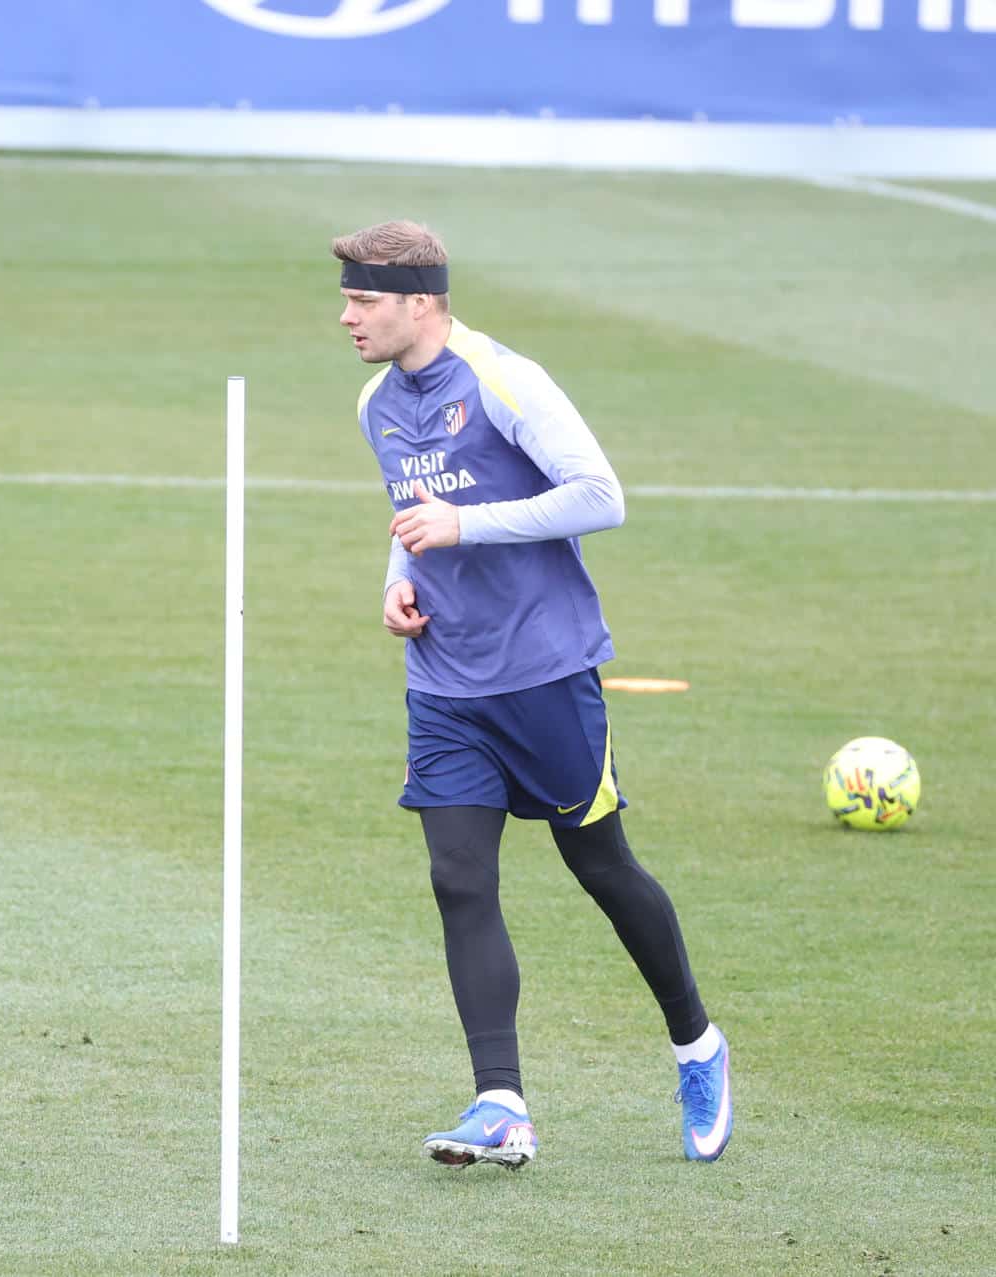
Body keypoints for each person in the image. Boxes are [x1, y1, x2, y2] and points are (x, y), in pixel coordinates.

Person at [335, 219, 730, 1169]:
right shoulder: (375, 402)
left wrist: (464, 525)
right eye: (346, 299)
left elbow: (600, 495)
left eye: (364, 300)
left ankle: (697, 1043)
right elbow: (412, 512)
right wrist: (397, 579)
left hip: (546, 675)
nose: (346, 316)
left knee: (601, 867)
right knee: (458, 877)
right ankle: (501, 1103)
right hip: (445, 682)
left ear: (421, 302)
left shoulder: (507, 380)